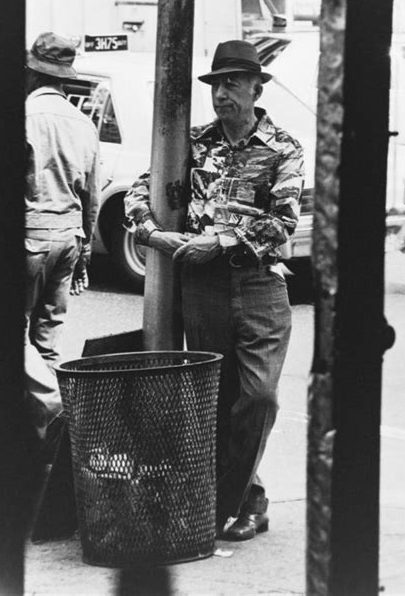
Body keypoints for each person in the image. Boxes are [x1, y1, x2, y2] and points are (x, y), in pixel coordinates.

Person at [124, 40, 304, 541]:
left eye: (232, 83)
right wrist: (152, 232)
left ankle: (224, 500)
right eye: (216, 84)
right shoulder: (195, 142)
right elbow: (141, 188)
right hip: (202, 289)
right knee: (216, 399)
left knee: (259, 397)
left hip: (258, 284)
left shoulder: (283, 147)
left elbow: (283, 220)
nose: (222, 93)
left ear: (255, 87)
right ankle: (248, 500)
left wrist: (219, 242)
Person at [25, 31, 101, 452]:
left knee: (14, 337)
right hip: (69, 234)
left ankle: (58, 417)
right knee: (46, 339)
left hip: (30, 233)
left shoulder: (23, 116)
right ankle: (49, 441)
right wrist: (85, 247)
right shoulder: (83, 123)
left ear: (32, 73)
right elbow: (92, 194)